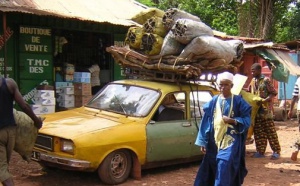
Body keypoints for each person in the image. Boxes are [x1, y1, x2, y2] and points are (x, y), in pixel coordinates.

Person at [194, 72, 251, 186]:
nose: (223, 87)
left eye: (226, 85)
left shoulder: (239, 101)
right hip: (213, 139)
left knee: (224, 164)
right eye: (221, 85)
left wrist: (233, 120)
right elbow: (206, 122)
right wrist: (203, 142)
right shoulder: (214, 101)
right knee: (212, 166)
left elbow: (247, 120)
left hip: (231, 139)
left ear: (232, 86)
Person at [0, 78, 43, 186]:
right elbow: (24, 106)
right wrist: (36, 121)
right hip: (10, 132)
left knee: (2, 171)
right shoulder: (9, 83)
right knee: (3, 166)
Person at [249, 63, 281, 159]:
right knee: (258, 133)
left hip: (266, 111)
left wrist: (265, 100)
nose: (252, 72)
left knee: (270, 132)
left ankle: (276, 151)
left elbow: (273, 93)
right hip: (256, 112)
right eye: (251, 70)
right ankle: (260, 151)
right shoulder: (253, 81)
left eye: (253, 71)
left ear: (259, 70)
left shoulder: (266, 80)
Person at [287, 76, 300, 161]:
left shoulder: (299, 80)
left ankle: (296, 147)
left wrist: (291, 110)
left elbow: (294, 96)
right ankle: (296, 145)